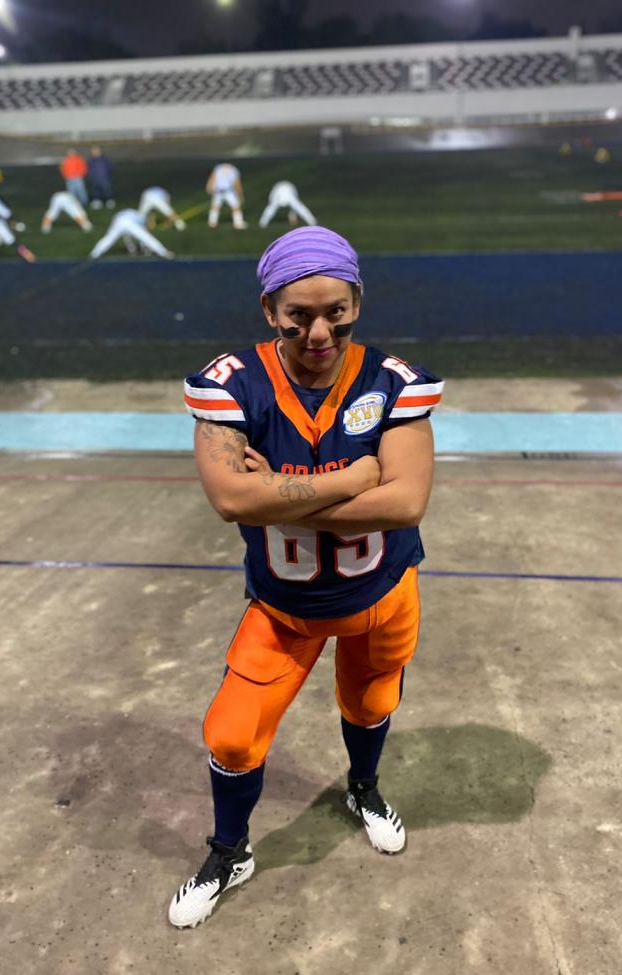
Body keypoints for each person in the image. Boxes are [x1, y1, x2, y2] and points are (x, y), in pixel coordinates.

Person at [169, 226, 443, 929]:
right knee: (232, 736)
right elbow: (232, 499)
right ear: (269, 309)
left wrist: (282, 497)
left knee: (371, 704)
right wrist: (352, 479)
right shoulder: (232, 383)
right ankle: (230, 849)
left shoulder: (394, 381)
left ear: (358, 303)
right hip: (285, 606)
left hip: (380, 594)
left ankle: (363, 787)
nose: (319, 332)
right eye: (298, 315)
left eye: (335, 313)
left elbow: (406, 502)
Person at [88, 207, 173, 259]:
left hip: (117, 220)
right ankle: (164, 253)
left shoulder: (132, 213)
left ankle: (94, 254)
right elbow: (143, 237)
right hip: (126, 221)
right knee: (146, 237)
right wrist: (145, 250)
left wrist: (131, 249)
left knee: (108, 239)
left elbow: (126, 235)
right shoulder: (141, 217)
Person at [206, 162, 247, 229]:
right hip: (228, 191)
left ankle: (212, 223)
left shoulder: (218, 168)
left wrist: (209, 187)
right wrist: (240, 194)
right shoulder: (234, 170)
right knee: (235, 207)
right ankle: (238, 223)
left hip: (218, 191)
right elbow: (237, 183)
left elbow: (212, 178)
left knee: (215, 207)